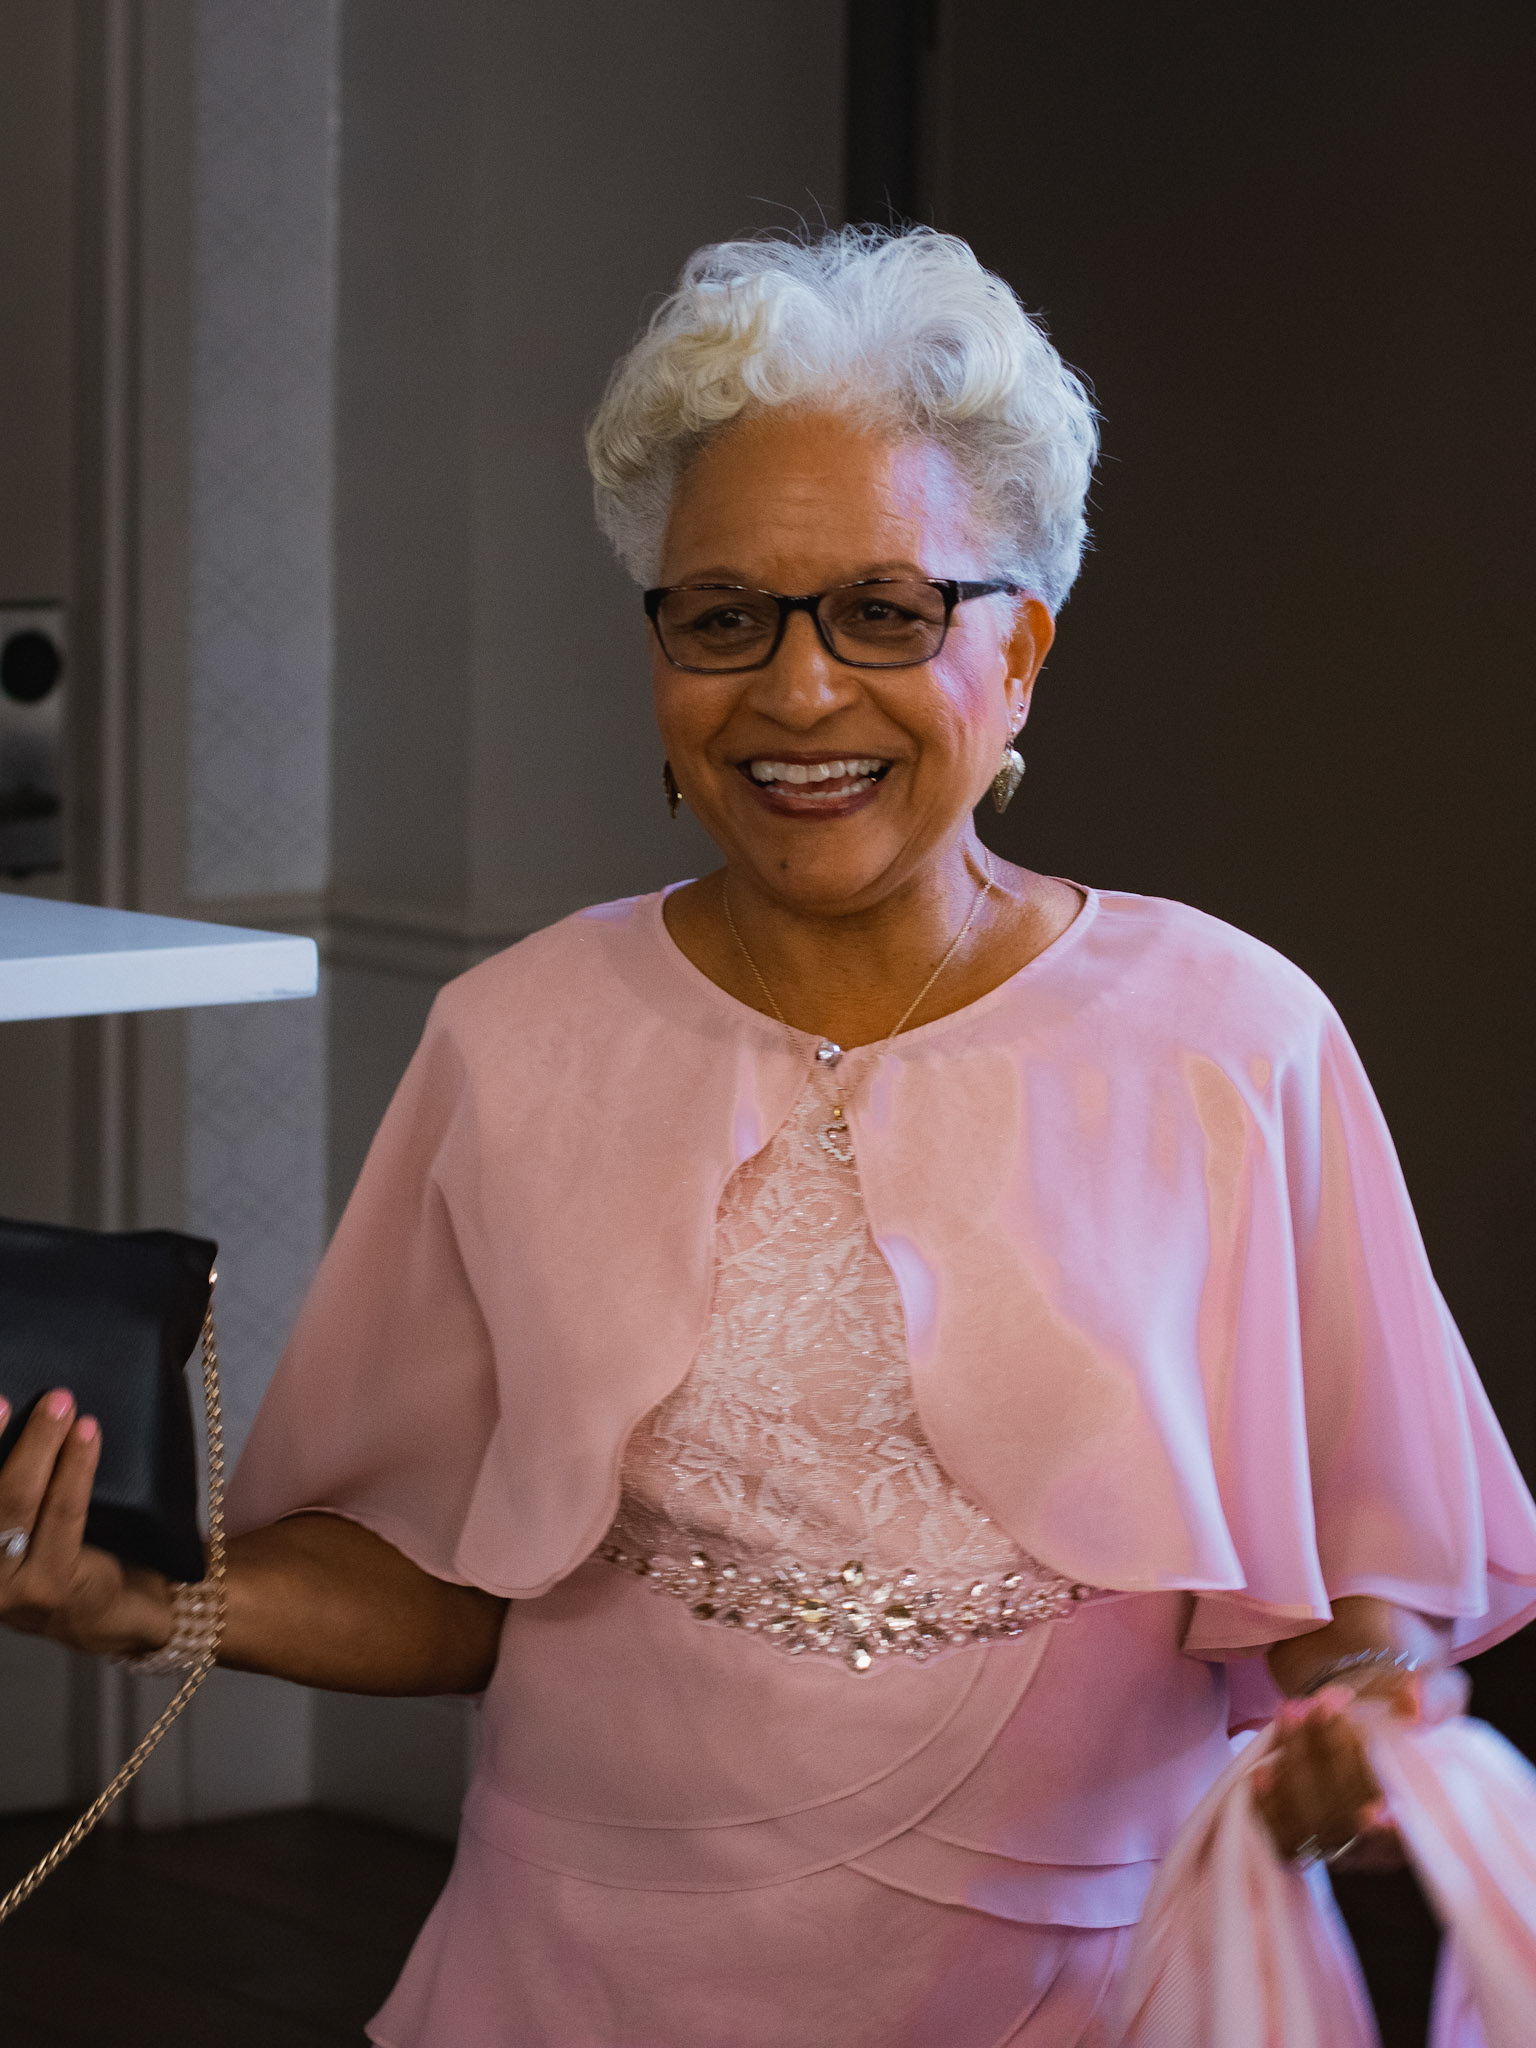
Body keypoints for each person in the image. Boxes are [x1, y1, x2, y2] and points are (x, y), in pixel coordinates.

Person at [3, 227, 1534, 2048]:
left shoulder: (1235, 1041)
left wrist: (1363, 1734)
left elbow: (1361, 1597)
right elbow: (443, 1587)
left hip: (1084, 1988)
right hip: (566, 1982)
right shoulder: (513, 1037)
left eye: (886, 611)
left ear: (1021, 653)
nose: (798, 693)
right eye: (725, 616)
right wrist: (144, 1605)